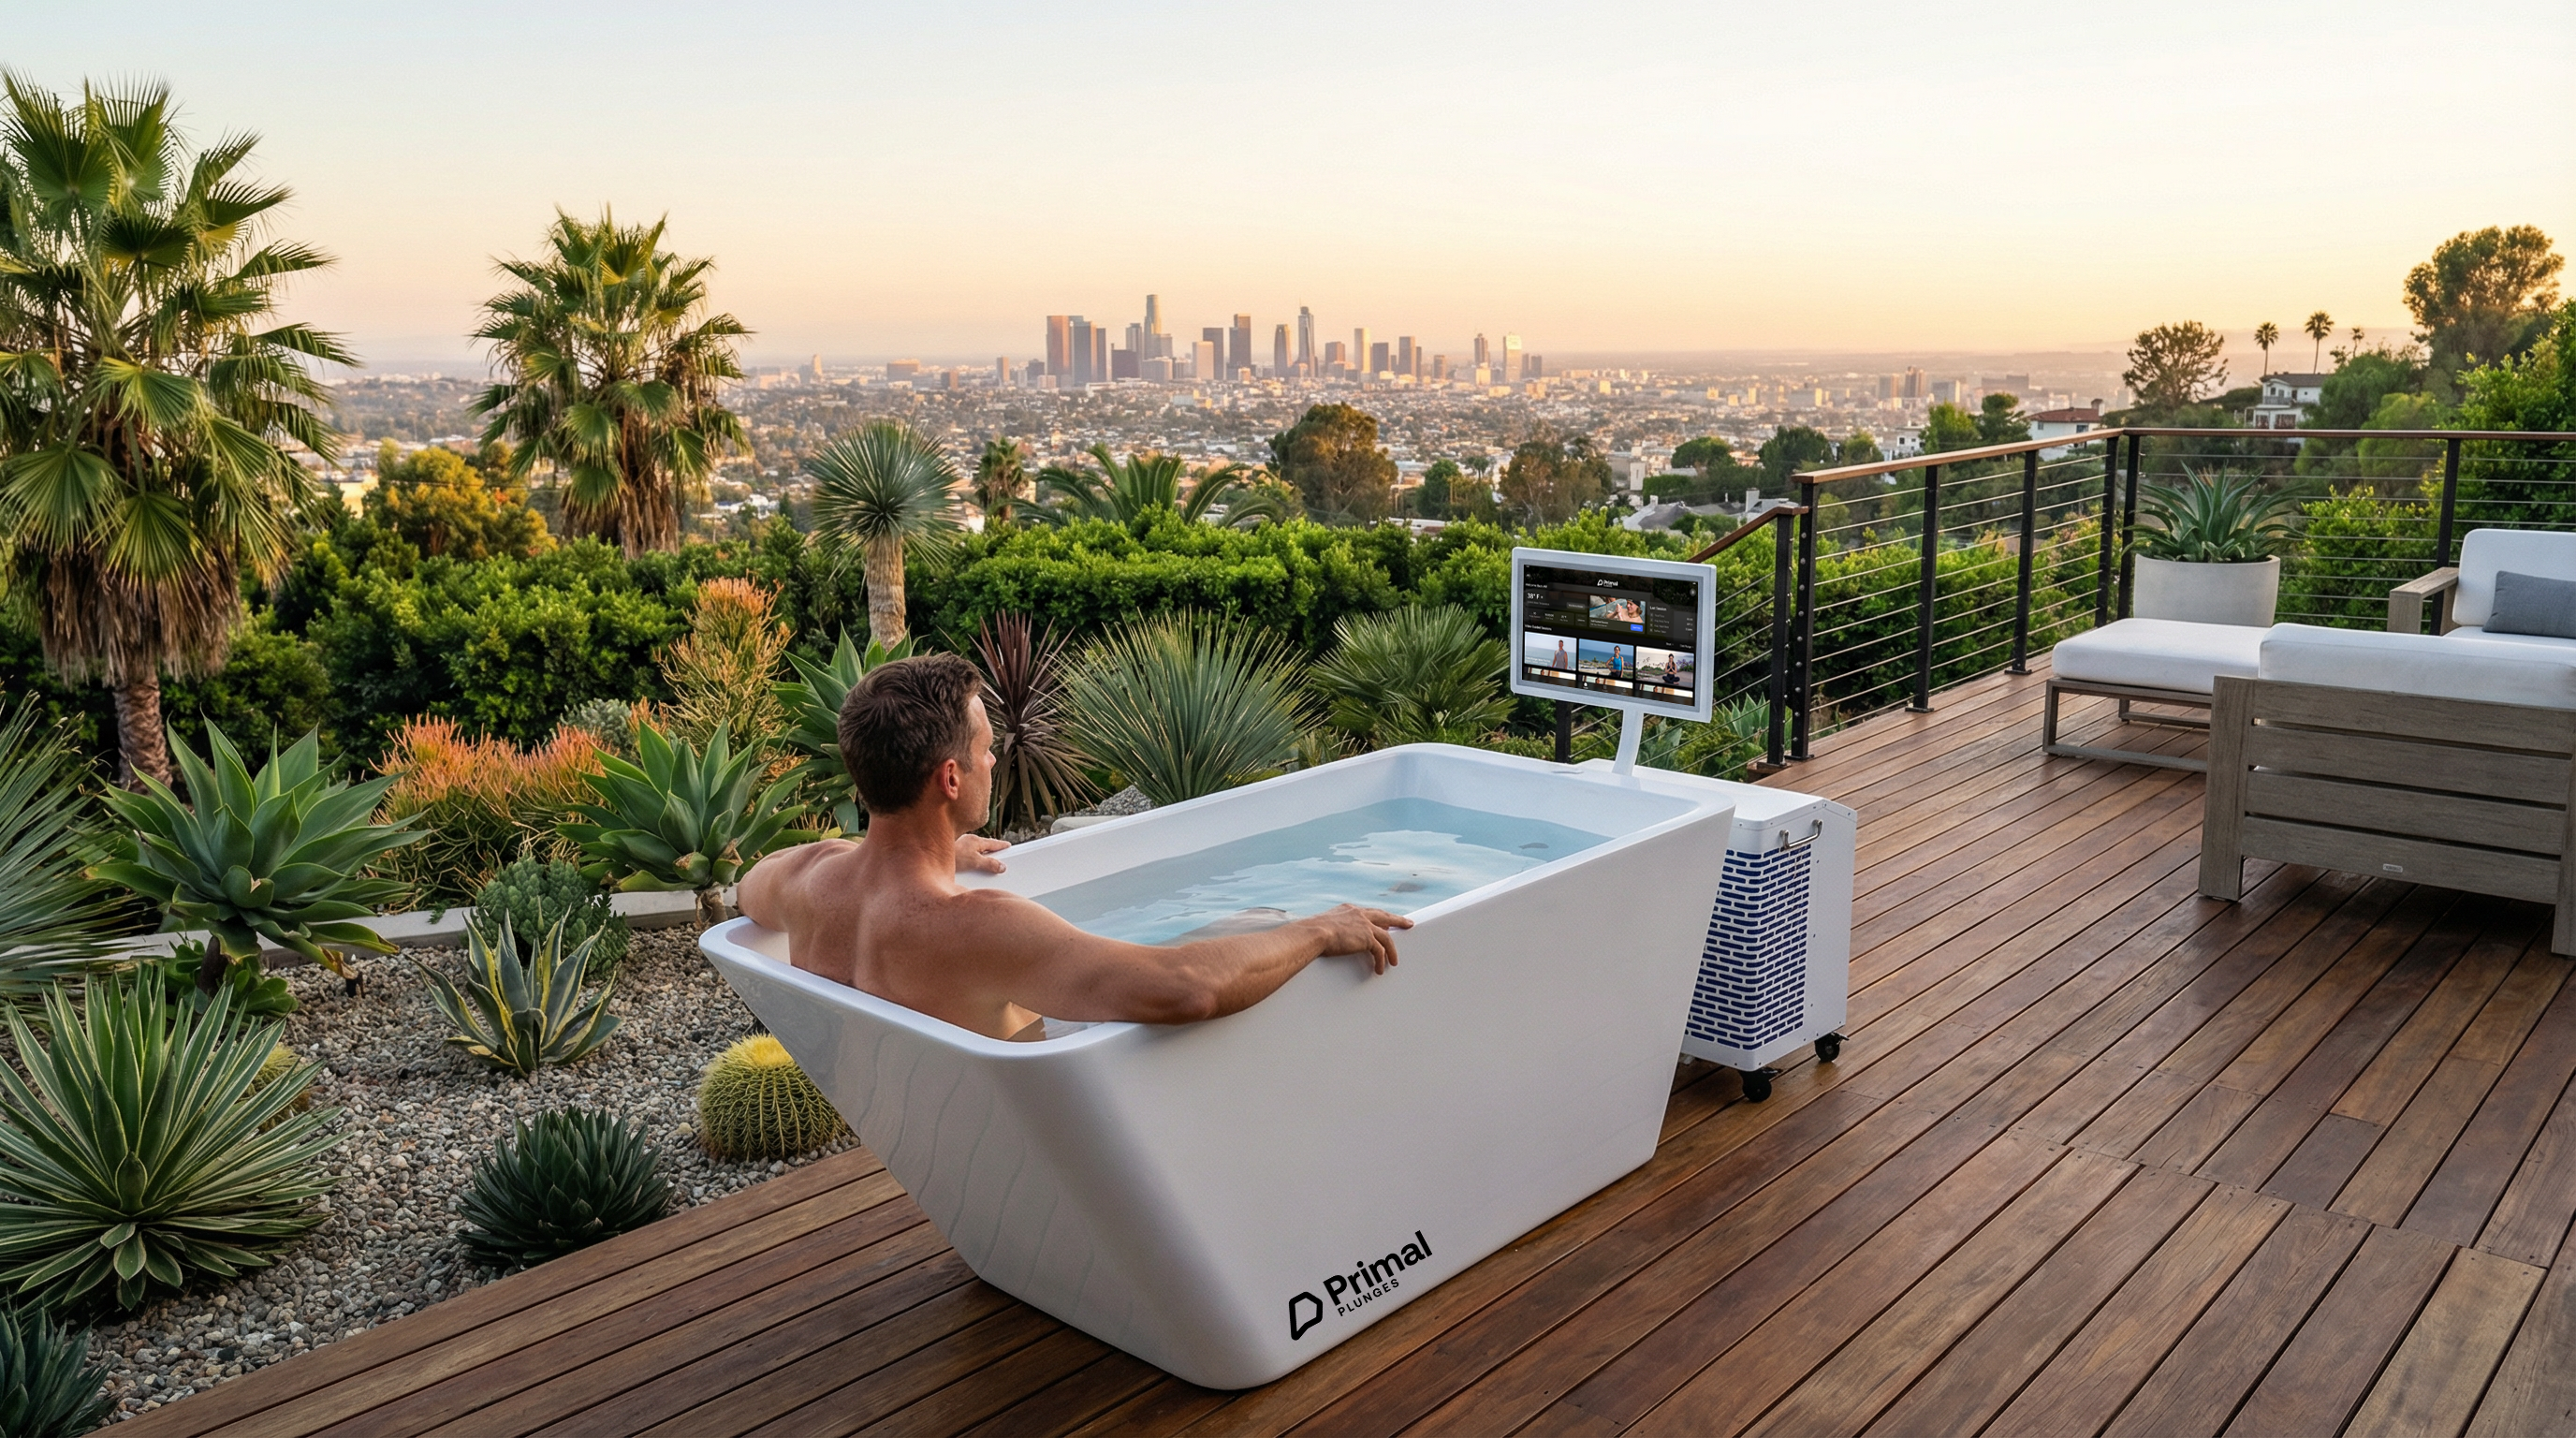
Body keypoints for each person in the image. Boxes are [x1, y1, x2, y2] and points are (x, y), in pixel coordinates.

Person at [739, 653, 1411, 1041]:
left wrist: (921, 846)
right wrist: (1322, 929)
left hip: (934, 1125)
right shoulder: (978, 927)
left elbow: (749, 890)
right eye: (985, 751)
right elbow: (1185, 990)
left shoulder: (806, 880)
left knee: (1246, 926)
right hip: (1049, 1139)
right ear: (950, 778)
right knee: (1270, 930)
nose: (994, 762)